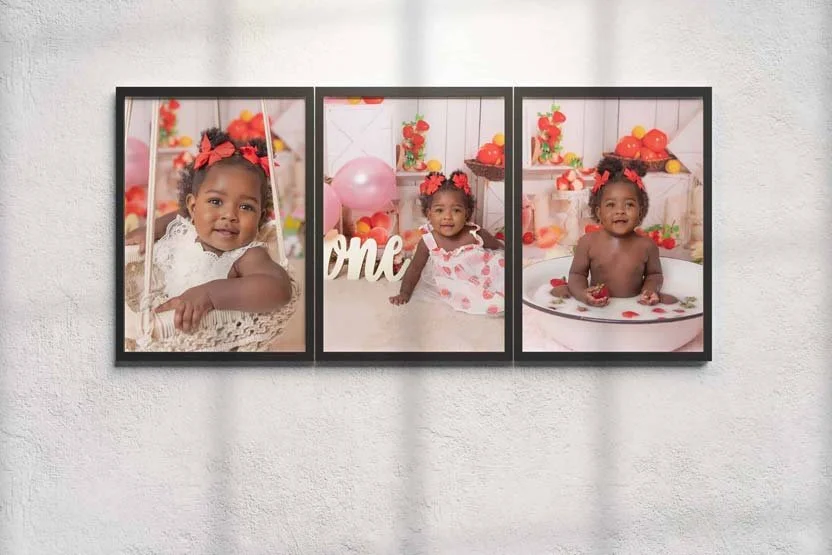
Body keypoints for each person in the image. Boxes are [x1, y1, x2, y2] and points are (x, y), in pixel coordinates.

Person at [125, 128, 292, 333]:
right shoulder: (186, 228)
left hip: (211, 339)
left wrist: (210, 295)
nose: (229, 215)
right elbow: (179, 217)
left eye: (246, 207)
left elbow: (279, 288)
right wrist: (151, 229)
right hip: (163, 326)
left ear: (260, 216)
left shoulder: (246, 255)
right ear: (193, 207)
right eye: (216, 201)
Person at [389, 170, 505, 315]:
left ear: (467, 213)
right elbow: (414, 268)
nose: (447, 217)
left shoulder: (475, 234)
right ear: (428, 214)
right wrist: (404, 293)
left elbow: (500, 249)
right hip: (461, 285)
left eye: (456, 210)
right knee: (484, 301)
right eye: (439, 211)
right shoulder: (428, 241)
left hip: (487, 275)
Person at [565, 157, 677, 306]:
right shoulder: (588, 243)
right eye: (611, 205)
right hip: (600, 310)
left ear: (640, 212)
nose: (620, 211)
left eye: (629, 205)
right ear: (598, 213)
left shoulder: (647, 246)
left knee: (672, 302)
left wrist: (650, 290)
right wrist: (582, 294)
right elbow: (576, 275)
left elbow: (654, 275)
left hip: (634, 307)